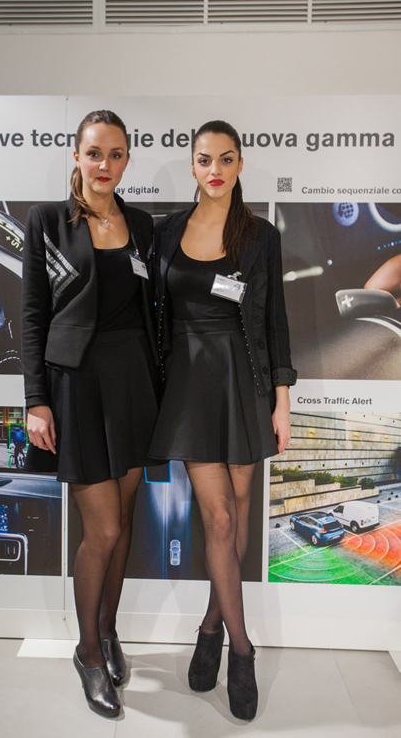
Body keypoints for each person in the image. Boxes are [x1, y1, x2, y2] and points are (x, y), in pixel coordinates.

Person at [149, 120, 297, 720]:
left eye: (226, 159)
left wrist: (282, 398)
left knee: (235, 517)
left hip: (244, 379)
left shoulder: (260, 235)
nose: (215, 169)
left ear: (239, 166)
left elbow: (275, 320)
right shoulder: (165, 232)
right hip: (187, 383)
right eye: (205, 159)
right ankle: (242, 649)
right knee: (217, 518)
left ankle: (210, 627)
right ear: (192, 166)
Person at [22, 110, 159, 719]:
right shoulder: (47, 221)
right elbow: (32, 314)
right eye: (95, 153)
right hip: (76, 384)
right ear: (76, 156)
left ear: (127, 160)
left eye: (116, 154)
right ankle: (86, 653)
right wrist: (36, 399)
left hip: (134, 383)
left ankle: (107, 630)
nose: (105, 165)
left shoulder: (142, 224)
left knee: (123, 522)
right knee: (100, 530)